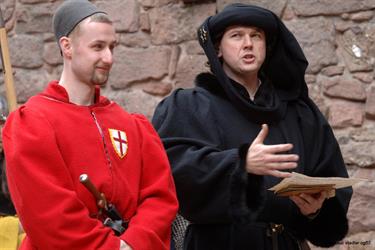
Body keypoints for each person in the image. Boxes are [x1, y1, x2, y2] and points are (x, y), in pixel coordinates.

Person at [152, 3, 352, 250]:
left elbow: (330, 181)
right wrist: (242, 163)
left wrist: (315, 211)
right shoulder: (189, 106)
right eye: (236, 36)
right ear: (218, 49)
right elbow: (172, 171)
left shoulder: (299, 113)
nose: (248, 43)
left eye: (256, 35)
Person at [2, 0, 178, 249]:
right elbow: (49, 213)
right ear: (67, 47)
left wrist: (134, 242)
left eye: (111, 47)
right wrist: (112, 247)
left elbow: (159, 196)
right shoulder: (33, 122)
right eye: (97, 47)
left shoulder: (131, 125)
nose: (108, 58)